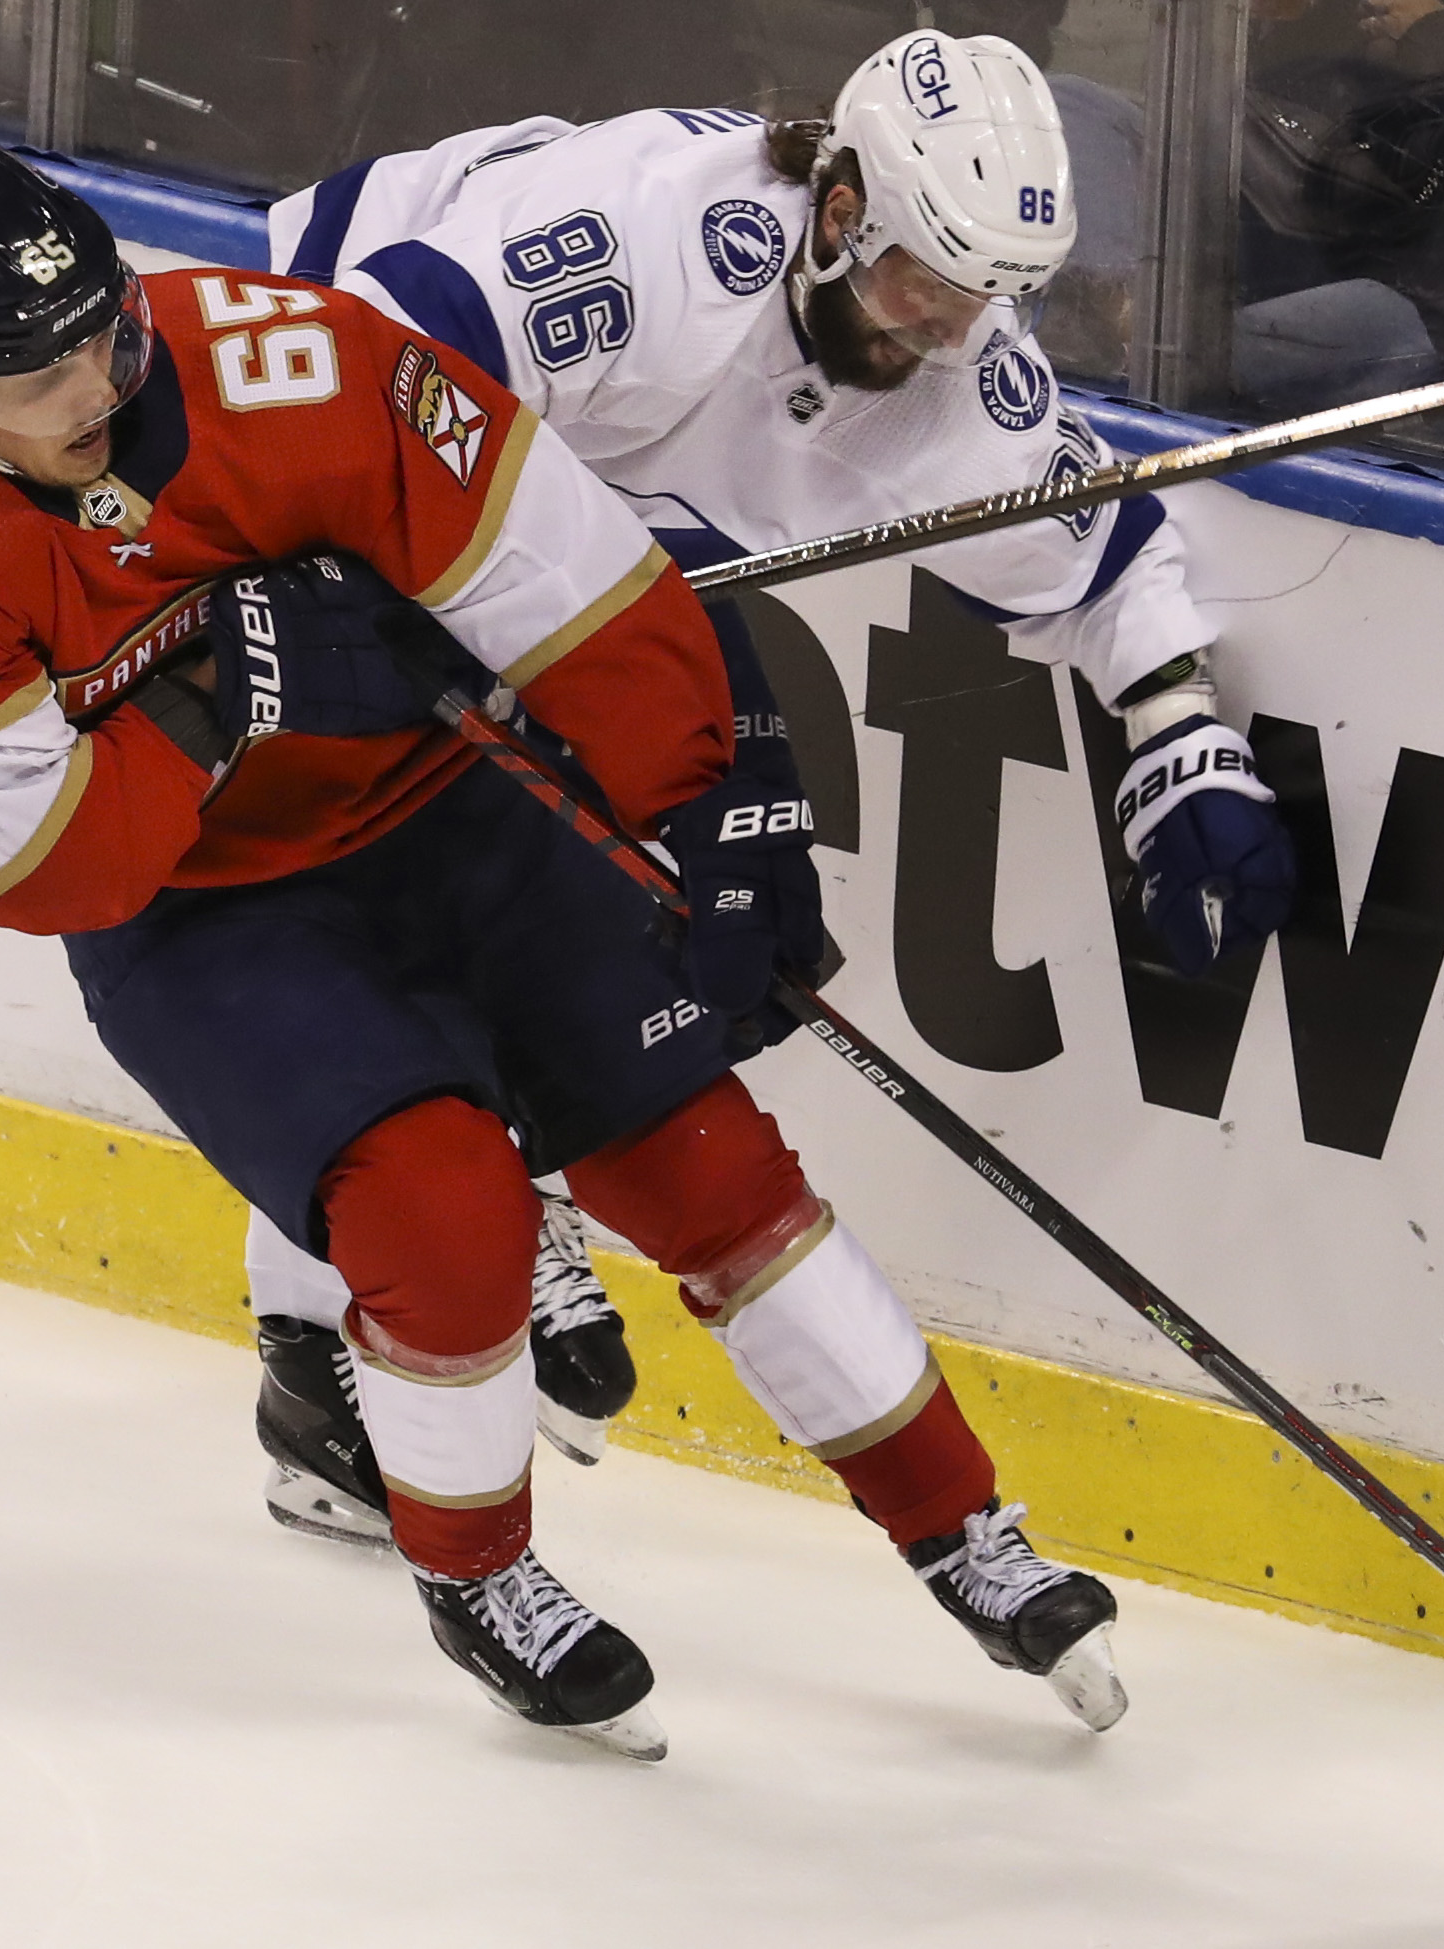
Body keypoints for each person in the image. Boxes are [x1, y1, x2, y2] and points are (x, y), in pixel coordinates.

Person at [0, 134, 1126, 1759]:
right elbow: (43, 862)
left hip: (448, 811)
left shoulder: (295, 369)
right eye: (29, 367)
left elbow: (565, 574)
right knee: (446, 1211)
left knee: (712, 1165)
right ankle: (482, 1576)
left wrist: (694, 804)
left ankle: (965, 1531)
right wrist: (229, 699)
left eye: (103, 328)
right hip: (209, 918)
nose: (89, 377)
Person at [257, 27, 1299, 1503]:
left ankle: (358, 1314)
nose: (945, 331)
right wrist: (401, 602)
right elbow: (376, 364)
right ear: (839, 205)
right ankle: (381, 1289)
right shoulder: (639, 242)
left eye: (982, 300)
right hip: (359, 380)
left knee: (677, 871)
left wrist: (1177, 730)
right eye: (921, 282)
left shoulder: (956, 371)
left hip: (595, 519)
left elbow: (1107, 554)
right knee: (410, 861)